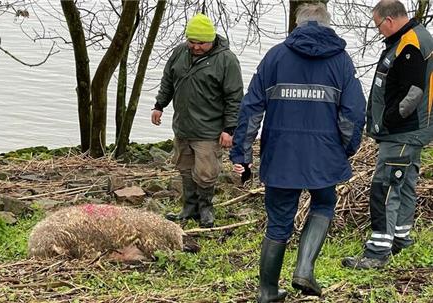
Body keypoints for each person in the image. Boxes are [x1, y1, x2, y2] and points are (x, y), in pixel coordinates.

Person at [229, 3, 366, 302]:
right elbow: (354, 112)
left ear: (297, 25)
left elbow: (251, 109)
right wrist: (346, 148)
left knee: (278, 222)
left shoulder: (275, 57)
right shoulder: (341, 61)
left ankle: (266, 291)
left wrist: (242, 155)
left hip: (281, 154)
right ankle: (304, 267)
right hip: (324, 152)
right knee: (324, 202)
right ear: (327, 25)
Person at [342, 0, 433, 270]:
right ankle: (400, 238)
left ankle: (377, 251)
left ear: (390, 20)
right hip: (413, 131)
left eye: (378, 25)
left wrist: (390, 120)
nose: (379, 30)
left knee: (385, 187)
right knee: (404, 184)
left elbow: (414, 92)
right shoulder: (414, 37)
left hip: (402, 133)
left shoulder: (410, 44)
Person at [151, 13, 243, 228]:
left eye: (201, 43)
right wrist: (159, 105)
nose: (196, 46)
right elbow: (168, 81)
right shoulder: (179, 53)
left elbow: (234, 97)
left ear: (211, 39)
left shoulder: (226, 60)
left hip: (209, 129)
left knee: (205, 173)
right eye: (192, 42)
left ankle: (206, 209)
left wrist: (230, 129)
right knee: (184, 168)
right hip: (183, 126)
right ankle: (189, 208)